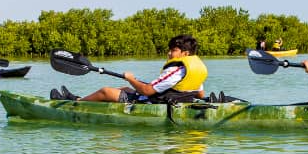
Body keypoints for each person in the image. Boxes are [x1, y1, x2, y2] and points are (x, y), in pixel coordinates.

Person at [56, 34, 207, 103]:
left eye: (173, 50)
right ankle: (88, 101)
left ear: (185, 53)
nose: (169, 53)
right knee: (125, 88)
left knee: (106, 91)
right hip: (175, 99)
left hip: (157, 102)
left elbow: (147, 91)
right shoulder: (194, 67)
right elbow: (200, 94)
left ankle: (77, 102)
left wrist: (131, 78)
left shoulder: (175, 69)